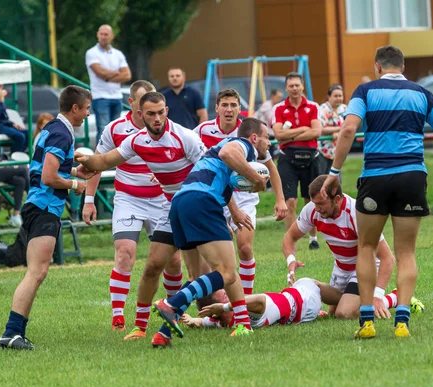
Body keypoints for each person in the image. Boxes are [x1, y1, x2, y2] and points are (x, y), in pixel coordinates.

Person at [321, 45, 433, 339]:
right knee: (406, 252)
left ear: (377, 66)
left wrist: (334, 173)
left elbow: (348, 130)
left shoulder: (365, 91)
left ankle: (367, 323)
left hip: (375, 177)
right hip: (412, 177)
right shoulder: (422, 94)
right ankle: (401, 322)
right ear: (403, 67)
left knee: (366, 247)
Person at [75, 92, 208, 347]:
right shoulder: (135, 140)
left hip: (195, 208)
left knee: (212, 271)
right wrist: (83, 162)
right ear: (140, 113)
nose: (157, 118)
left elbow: (211, 170)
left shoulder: (186, 137)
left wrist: (227, 210)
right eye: (151, 114)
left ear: (167, 110)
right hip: (166, 208)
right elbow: (103, 160)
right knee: (151, 267)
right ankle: (140, 326)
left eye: (161, 112)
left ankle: (240, 321)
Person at [150, 117, 275, 346]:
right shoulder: (242, 145)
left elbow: (221, 177)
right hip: (202, 202)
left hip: (180, 204)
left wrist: (235, 212)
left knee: (198, 277)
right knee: (226, 272)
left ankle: (164, 333)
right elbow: (228, 153)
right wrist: (256, 178)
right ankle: (172, 303)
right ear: (255, 138)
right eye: (267, 137)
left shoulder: (219, 157)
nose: (268, 142)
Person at [0, 86, 96, 350]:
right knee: (36, 272)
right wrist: (75, 184)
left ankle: (14, 332)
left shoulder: (53, 128)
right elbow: (48, 177)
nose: (88, 113)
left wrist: (74, 169)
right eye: (86, 108)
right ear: (74, 108)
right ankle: (11, 333)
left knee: (36, 272)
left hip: (38, 207)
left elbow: (48, 167)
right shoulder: (61, 134)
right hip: (44, 208)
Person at [82, 81, 183, 335]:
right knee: (125, 252)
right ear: (132, 104)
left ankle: (174, 310)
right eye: (142, 104)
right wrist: (89, 200)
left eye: (154, 107)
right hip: (129, 199)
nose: (148, 112)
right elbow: (99, 162)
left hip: (162, 201)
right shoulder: (116, 129)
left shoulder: (172, 131)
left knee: (173, 260)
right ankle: (118, 317)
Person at [283, 175, 424, 319]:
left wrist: (377, 296)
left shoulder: (357, 214)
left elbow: (387, 258)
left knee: (344, 313)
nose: (317, 209)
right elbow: (290, 237)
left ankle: (393, 298)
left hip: (365, 267)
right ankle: (354, 300)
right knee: (325, 305)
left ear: (337, 199)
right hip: (341, 268)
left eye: (321, 204)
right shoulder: (312, 210)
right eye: (314, 203)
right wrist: (291, 260)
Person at [194, 88, 288, 295]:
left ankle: (245, 299)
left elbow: (271, 167)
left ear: (239, 108)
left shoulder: (249, 132)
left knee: (244, 247)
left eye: (233, 105)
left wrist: (280, 199)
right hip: (215, 195)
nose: (229, 110)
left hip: (243, 197)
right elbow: (187, 154)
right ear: (217, 108)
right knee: (217, 254)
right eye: (224, 105)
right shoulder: (202, 131)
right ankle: (221, 297)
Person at [272, 72, 322, 250]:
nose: (294, 89)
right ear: (286, 88)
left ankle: (313, 238)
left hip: (310, 156)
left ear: (302, 87)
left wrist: (290, 136)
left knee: (312, 200)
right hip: (287, 158)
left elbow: (316, 132)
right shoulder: (279, 108)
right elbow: (278, 134)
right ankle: (293, 241)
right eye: (291, 85)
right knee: (290, 202)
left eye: (297, 85)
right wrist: (302, 130)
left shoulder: (313, 106)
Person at [182, 277, 327, 329]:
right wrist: (193, 320)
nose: (231, 295)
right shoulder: (242, 316)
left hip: (301, 293)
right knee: (341, 311)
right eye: (226, 296)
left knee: (343, 305)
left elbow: (259, 300)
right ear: (217, 313)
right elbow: (206, 321)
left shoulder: (233, 315)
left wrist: (224, 306)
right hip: (307, 302)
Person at [85, 24, 132, 145]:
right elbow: (99, 72)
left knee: (117, 132)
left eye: (106, 34)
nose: (103, 37)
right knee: (103, 130)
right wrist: (117, 73)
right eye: (101, 34)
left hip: (117, 97)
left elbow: (127, 75)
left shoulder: (118, 54)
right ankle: (101, 161)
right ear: (97, 35)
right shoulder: (92, 53)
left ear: (112, 36)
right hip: (100, 97)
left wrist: (108, 76)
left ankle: (114, 161)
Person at [318, 84, 346, 174]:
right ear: (329, 97)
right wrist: (339, 129)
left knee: (336, 177)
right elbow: (320, 128)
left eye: (340, 96)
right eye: (335, 96)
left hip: (338, 148)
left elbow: (350, 125)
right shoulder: (322, 109)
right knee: (322, 176)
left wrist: (339, 131)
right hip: (323, 148)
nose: (338, 98)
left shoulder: (345, 108)